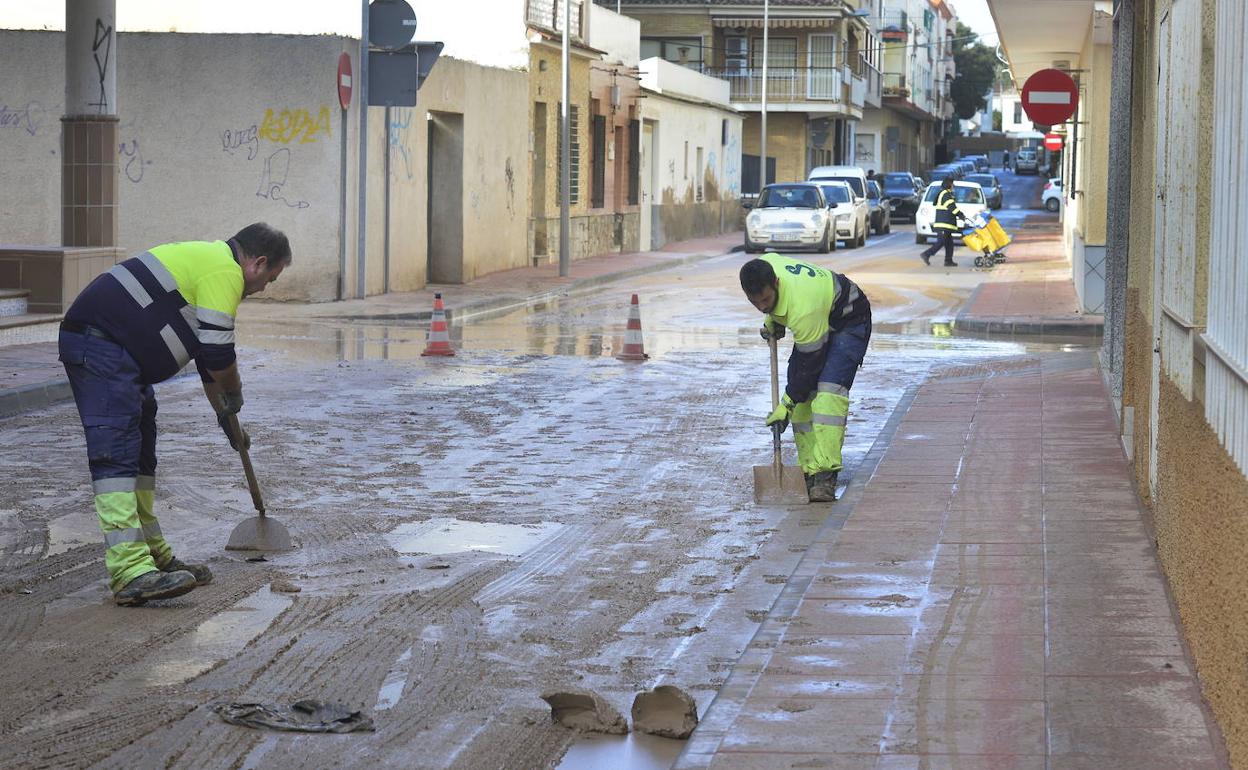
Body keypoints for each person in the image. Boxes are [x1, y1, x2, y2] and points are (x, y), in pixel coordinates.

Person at [58, 223, 292, 606]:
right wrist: (234, 394)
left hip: (120, 355)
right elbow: (218, 356)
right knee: (116, 451)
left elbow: (203, 358)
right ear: (259, 263)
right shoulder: (224, 272)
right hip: (100, 346)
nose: (267, 287)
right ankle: (130, 571)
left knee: (141, 452)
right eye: (272, 277)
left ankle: (153, 556)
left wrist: (226, 418)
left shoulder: (210, 263)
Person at [740, 255, 872, 502]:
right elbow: (776, 306)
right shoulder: (764, 266)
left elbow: (810, 365)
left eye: (766, 300)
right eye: (755, 303)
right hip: (818, 317)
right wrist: (772, 318)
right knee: (802, 401)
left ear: (777, 283)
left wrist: (785, 404)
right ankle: (809, 471)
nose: (761, 306)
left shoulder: (804, 309)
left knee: (827, 396)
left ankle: (825, 475)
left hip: (849, 318)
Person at [920, 177, 966, 267]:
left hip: (946, 224)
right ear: (949, 184)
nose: (953, 186)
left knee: (949, 244)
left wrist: (960, 215)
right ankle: (926, 254)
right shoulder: (945, 194)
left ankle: (948, 261)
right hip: (943, 224)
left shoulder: (946, 193)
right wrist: (960, 215)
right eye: (952, 184)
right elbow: (952, 207)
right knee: (941, 242)